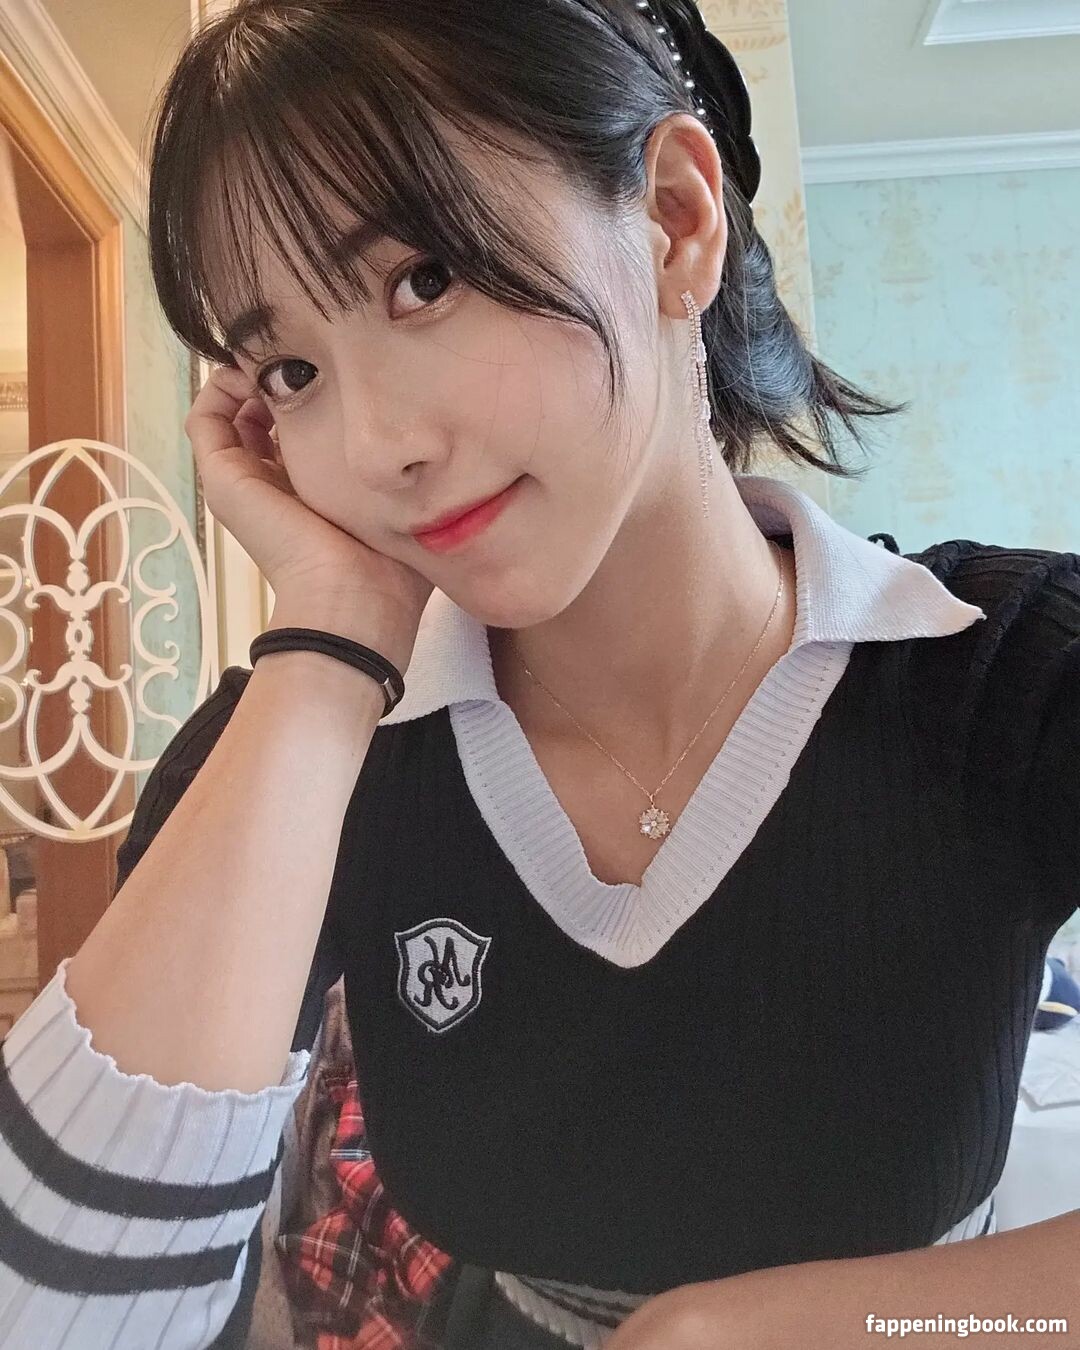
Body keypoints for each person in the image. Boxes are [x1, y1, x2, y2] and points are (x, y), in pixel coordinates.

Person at [1, 1, 1078, 1347]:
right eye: (293, 370)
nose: (379, 447)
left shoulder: (1009, 668)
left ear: (675, 221)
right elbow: (48, 1308)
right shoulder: (297, 745)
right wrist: (333, 632)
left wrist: (772, 1329)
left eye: (424, 279)